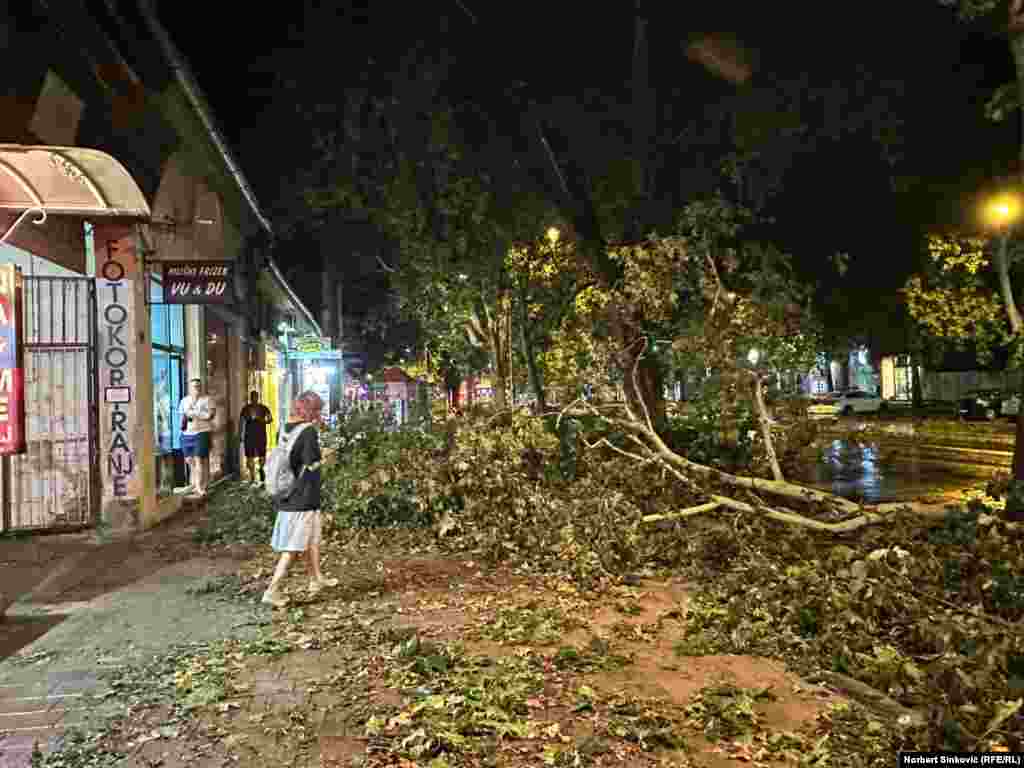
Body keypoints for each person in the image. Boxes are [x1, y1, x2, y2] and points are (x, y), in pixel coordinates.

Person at [262, 391, 338, 608]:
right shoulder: (308, 432)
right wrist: (328, 456)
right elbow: (311, 463)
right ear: (311, 410)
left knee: (312, 539)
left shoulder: (284, 428)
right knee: (294, 547)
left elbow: (291, 460)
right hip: (302, 496)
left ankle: (316, 579)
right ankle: (273, 589)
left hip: (288, 494)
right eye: (317, 410)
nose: (319, 414)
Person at [179, 378, 215, 496]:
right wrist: (183, 423)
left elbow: (210, 416)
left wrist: (195, 413)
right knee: (189, 460)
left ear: (201, 387)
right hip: (187, 434)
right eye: (194, 386)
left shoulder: (207, 400)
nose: (196, 388)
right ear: (190, 387)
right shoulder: (184, 401)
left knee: (199, 459)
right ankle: (198, 481)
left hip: (201, 432)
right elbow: (182, 415)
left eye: (198, 386)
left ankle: (199, 487)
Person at [239, 391, 273, 485]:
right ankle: (252, 476)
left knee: (262, 455)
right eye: (252, 397)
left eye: (255, 397)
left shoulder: (264, 408)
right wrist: (240, 435)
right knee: (249, 456)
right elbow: (241, 422)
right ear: (250, 398)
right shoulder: (246, 408)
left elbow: (270, 419)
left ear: (258, 397)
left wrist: (262, 420)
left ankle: (261, 470)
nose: (254, 399)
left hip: (261, 435)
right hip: (249, 436)